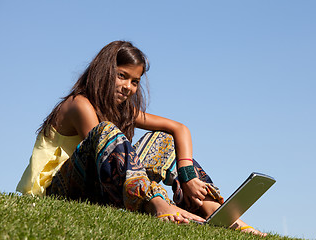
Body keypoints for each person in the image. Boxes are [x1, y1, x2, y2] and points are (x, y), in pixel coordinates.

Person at [16, 41, 266, 236]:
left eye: (135, 81)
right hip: (60, 191)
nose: (128, 87)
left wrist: (187, 176)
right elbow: (100, 155)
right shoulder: (79, 105)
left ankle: (215, 211)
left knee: (162, 140)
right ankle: (157, 204)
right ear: (103, 72)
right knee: (106, 132)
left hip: (103, 186)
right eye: (122, 76)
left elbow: (179, 128)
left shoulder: (121, 110)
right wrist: (163, 200)